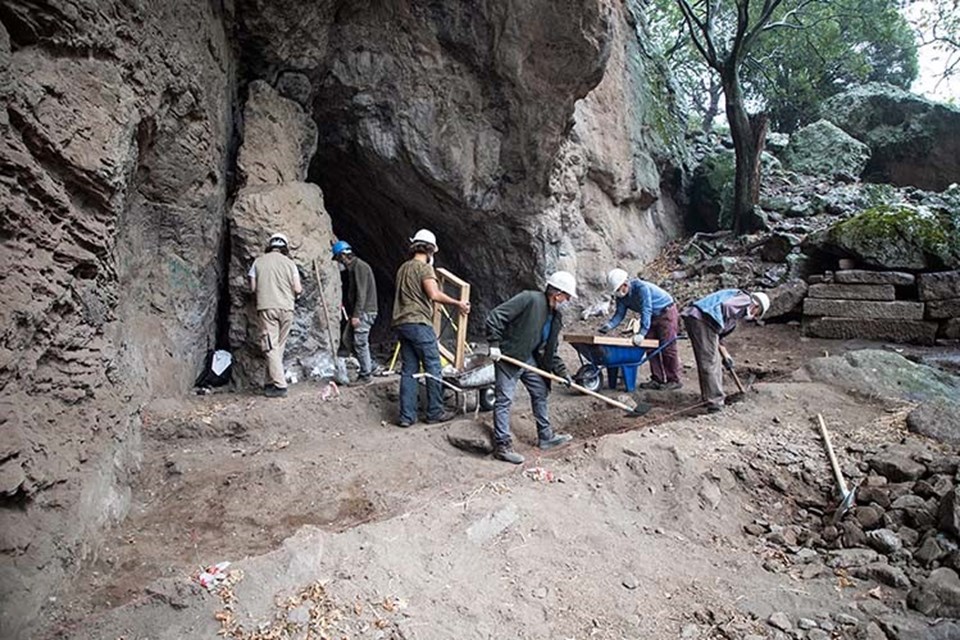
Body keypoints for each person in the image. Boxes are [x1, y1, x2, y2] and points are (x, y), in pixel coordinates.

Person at [485, 271, 577, 464]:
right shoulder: (529, 299)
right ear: (557, 293)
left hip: (528, 357)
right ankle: (502, 446)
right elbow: (496, 316)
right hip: (509, 356)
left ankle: (546, 437)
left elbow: (550, 350)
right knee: (504, 400)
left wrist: (563, 373)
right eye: (566, 297)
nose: (566, 301)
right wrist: (494, 344)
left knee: (540, 391)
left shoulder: (555, 317)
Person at [391, 229, 470, 427]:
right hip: (418, 322)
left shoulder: (403, 268)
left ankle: (406, 417)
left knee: (409, 370)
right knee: (433, 366)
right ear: (431, 250)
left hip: (402, 323)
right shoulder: (424, 269)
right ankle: (435, 411)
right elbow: (434, 294)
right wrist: (458, 303)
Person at [680, 289, 770, 413]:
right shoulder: (745, 299)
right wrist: (720, 325)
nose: (754, 317)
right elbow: (726, 306)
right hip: (703, 320)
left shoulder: (735, 318)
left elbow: (719, 339)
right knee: (710, 362)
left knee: (710, 360)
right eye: (757, 313)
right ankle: (715, 402)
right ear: (756, 305)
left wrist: (726, 356)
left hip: (698, 319)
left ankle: (710, 398)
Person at [600, 269, 682, 390]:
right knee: (649, 346)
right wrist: (609, 325)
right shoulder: (622, 297)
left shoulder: (641, 288)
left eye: (618, 289)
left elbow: (646, 309)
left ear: (625, 284)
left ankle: (673, 380)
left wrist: (642, 332)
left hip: (665, 312)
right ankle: (657, 378)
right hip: (651, 316)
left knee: (667, 347)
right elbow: (619, 314)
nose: (618, 293)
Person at [248, 232, 303, 397]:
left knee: (270, 347)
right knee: (278, 347)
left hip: (267, 308)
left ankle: (280, 386)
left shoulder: (258, 262)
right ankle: (270, 383)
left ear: (270, 245)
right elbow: (298, 289)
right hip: (287, 309)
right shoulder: (290, 264)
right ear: (284, 248)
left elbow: (252, 288)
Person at [332, 240, 379, 382]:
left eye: (338, 259)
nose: (339, 263)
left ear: (343, 256)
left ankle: (366, 375)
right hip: (361, 311)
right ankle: (371, 365)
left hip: (365, 312)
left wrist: (357, 315)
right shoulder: (355, 268)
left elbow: (361, 293)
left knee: (360, 342)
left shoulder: (359, 267)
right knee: (348, 339)